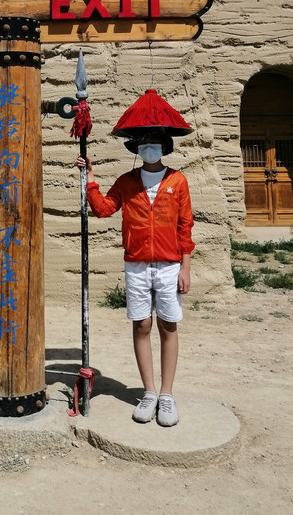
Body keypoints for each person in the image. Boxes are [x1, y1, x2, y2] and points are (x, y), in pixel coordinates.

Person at [76, 128, 194, 426]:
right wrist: (89, 178)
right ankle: (149, 392)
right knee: (141, 325)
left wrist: (186, 266)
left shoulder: (177, 181)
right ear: (136, 149)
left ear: (164, 147)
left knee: (168, 325)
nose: (149, 148)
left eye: (154, 143)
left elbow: (185, 226)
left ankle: (167, 395)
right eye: (144, 144)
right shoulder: (126, 182)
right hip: (137, 265)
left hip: (169, 265)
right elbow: (103, 209)